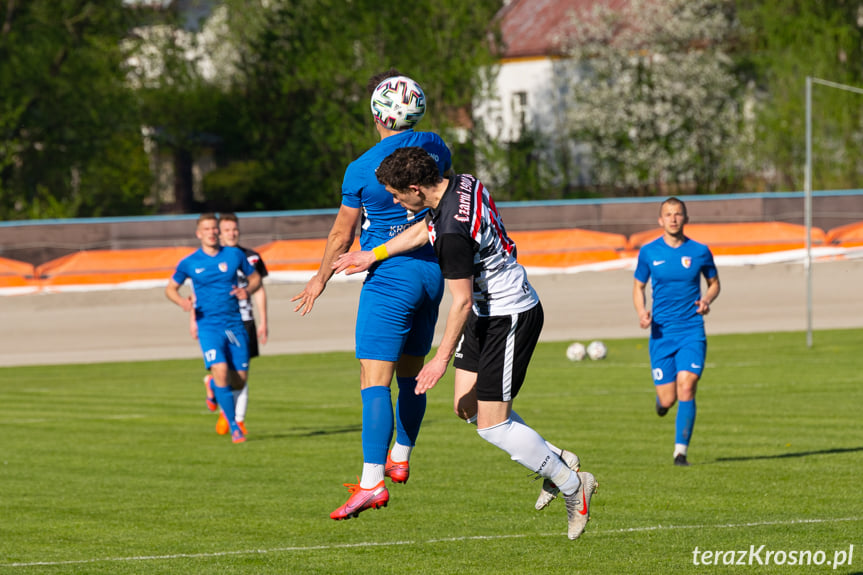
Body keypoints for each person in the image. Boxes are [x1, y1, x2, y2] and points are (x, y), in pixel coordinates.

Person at [334, 146, 598, 541]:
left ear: (414, 189)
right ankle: (556, 459)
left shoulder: (454, 236)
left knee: (493, 426)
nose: (392, 201)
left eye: (395, 193)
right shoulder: (462, 183)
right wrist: (374, 253)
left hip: (507, 317)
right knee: (466, 407)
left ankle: (574, 486)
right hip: (485, 311)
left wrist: (440, 359)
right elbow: (428, 227)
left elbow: (457, 301)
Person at [291, 71, 452, 520]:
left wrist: (318, 280)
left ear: (376, 114)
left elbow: (342, 233)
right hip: (433, 272)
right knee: (411, 375)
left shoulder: (361, 169)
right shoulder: (436, 146)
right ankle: (401, 454)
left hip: (390, 278)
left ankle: (371, 483)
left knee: (373, 381)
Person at [632, 197, 720, 466]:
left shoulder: (700, 251)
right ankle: (662, 403)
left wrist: (707, 300)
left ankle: (680, 452)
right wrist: (642, 312)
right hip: (661, 334)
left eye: (678, 214)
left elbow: (714, 283)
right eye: (668, 214)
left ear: (686, 219)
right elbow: (638, 287)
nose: (673, 218)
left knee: (688, 385)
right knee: (668, 398)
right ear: (660, 220)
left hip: (691, 330)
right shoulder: (649, 252)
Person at [166, 213, 262, 444]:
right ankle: (233, 427)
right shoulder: (189, 262)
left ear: (218, 231)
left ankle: (211, 385)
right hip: (208, 326)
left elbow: (256, 278)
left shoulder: (234, 255)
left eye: (213, 228)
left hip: (235, 325)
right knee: (220, 369)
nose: (211, 232)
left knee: (239, 380)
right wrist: (181, 301)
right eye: (206, 229)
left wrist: (246, 290)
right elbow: (170, 288)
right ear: (199, 234)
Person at [196, 213, 269, 437]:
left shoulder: (250, 257)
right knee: (223, 369)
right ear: (219, 231)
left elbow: (259, 288)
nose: (231, 233)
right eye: (226, 230)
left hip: (244, 321)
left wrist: (263, 320)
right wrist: (193, 320)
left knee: (242, 375)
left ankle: (235, 415)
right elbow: (199, 293)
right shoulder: (210, 258)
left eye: (234, 229)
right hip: (216, 323)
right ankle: (235, 418)